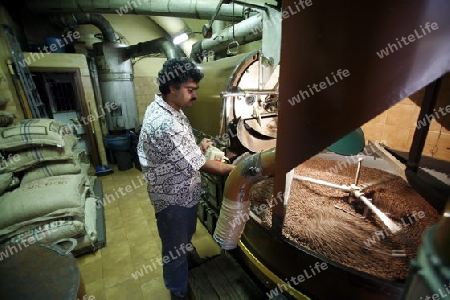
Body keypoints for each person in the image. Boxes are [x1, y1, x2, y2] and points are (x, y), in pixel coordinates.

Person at [137, 57, 235, 300]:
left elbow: (180, 153)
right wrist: (238, 169)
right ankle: (178, 292)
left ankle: (185, 265)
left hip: (182, 192)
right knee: (174, 250)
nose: (195, 96)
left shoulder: (166, 106)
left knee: (182, 239)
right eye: (190, 90)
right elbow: (201, 165)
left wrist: (197, 147)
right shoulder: (165, 123)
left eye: (196, 90)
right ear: (173, 87)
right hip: (173, 199)